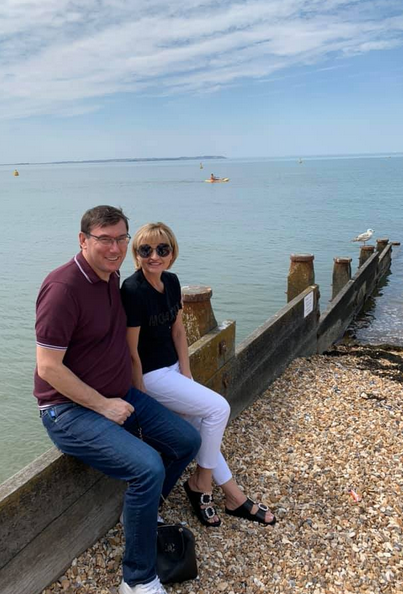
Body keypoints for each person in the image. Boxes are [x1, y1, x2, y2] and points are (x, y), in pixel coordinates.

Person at [34, 205, 201, 594]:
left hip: (120, 393)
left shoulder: (111, 278)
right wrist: (103, 405)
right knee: (147, 468)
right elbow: (48, 368)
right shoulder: (62, 289)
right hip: (67, 410)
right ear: (83, 240)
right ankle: (137, 578)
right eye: (104, 240)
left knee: (186, 441)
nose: (114, 248)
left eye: (121, 239)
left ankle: (141, 514)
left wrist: (133, 388)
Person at [121, 222, 276, 529]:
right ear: (136, 254)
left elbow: (179, 331)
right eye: (146, 249)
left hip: (174, 372)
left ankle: (233, 496)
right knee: (219, 408)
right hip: (151, 376)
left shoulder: (171, 281)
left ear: (172, 252)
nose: (154, 256)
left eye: (162, 249)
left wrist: (186, 372)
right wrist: (141, 395)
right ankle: (201, 483)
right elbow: (131, 350)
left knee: (203, 429)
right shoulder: (133, 289)